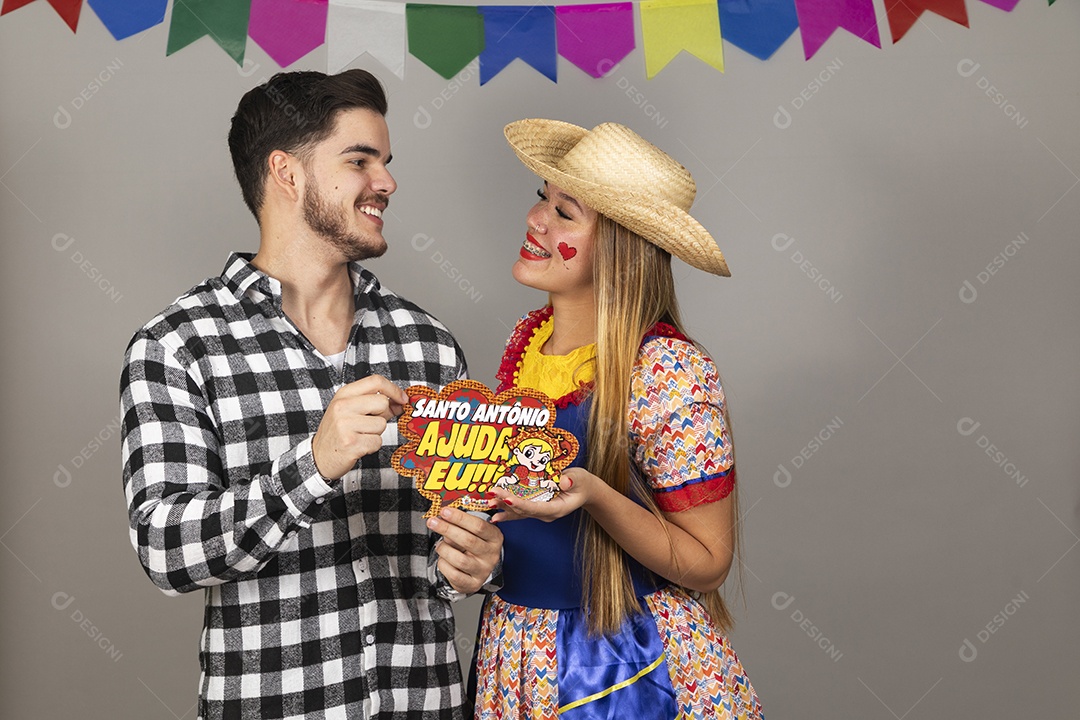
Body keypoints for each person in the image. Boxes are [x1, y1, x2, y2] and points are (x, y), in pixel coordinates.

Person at [120, 69, 502, 720]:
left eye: (385, 162)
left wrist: (477, 564)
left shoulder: (428, 344)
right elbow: (166, 551)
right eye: (360, 160)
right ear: (287, 173)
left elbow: (449, 549)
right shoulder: (177, 345)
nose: (387, 182)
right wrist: (313, 465)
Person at [473, 119, 765, 718]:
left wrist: (594, 495)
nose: (535, 219)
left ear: (619, 247)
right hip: (516, 649)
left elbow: (708, 561)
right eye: (542, 199)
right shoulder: (525, 341)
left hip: (624, 663)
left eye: (565, 213)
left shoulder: (667, 370)